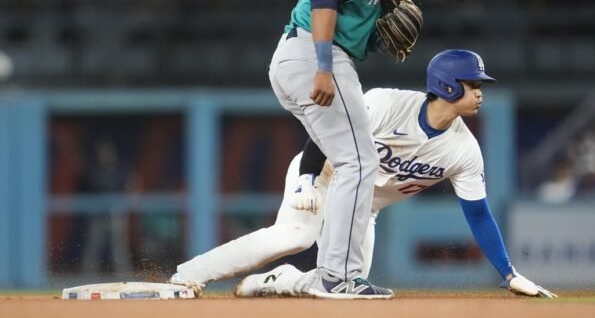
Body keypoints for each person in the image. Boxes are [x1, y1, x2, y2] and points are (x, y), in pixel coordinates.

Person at [169, 49, 556, 299]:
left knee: (343, 289)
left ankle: (278, 281)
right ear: (447, 85)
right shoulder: (386, 104)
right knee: (296, 233)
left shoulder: (464, 151)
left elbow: (478, 214)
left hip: (363, 208)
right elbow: (326, 133)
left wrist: (508, 273)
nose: (480, 92)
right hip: (322, 176)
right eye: (473, 84)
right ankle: (190, 275)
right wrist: (306, 178)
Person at [258, 0, 436, 299]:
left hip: (304, 56)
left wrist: (375, 36)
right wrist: (323, 68)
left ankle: (333, 273)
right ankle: (336, 275)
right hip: (315, 54)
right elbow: (324, 0)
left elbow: (352, 23)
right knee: (359, 163)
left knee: (352, 161)